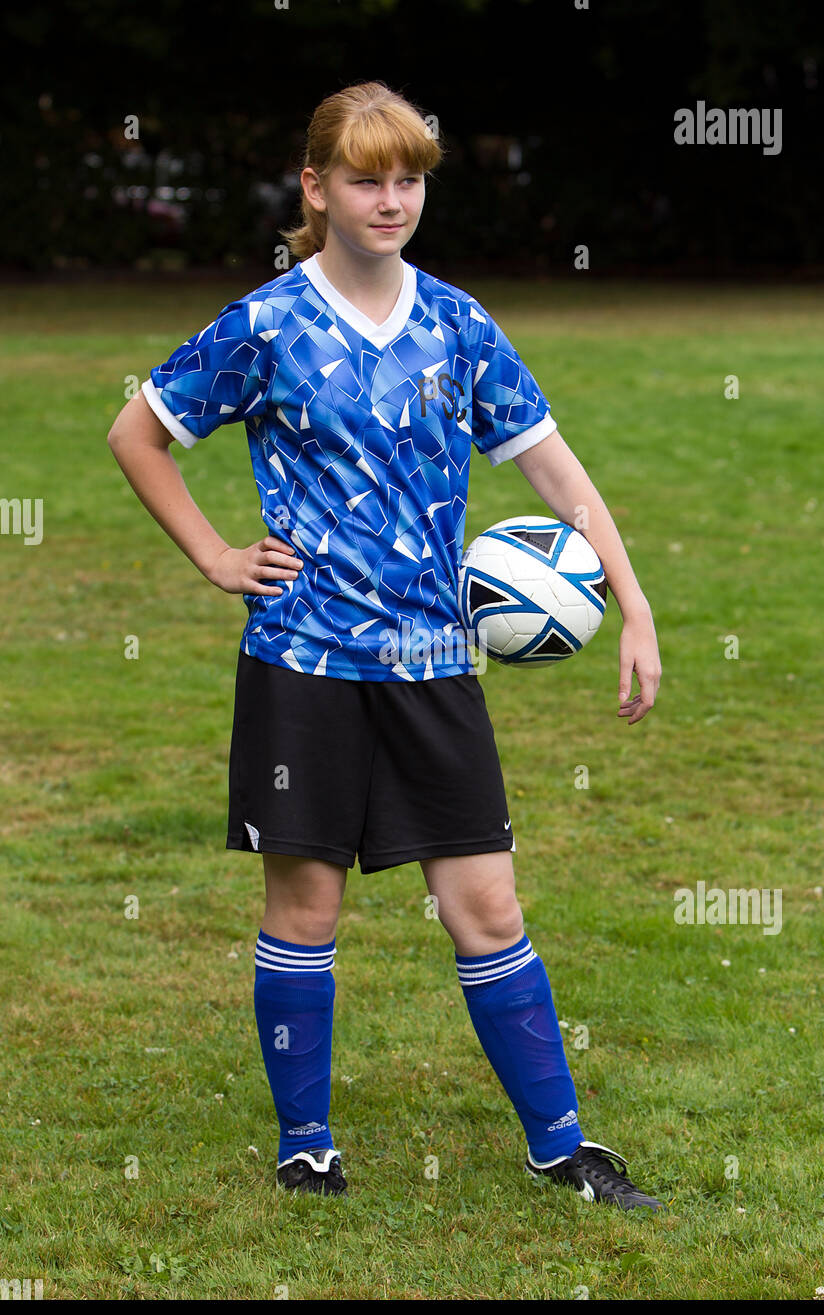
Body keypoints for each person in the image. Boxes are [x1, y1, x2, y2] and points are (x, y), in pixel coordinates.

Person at [107, 81, 663, 1210]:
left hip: (433, 666)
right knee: (304, 910)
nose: (391, 198)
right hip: (302, 666)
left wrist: (634, 603)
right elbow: (138, 431)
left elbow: (554, 472)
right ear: (314, 188)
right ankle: (305, 1142)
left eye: (408, 178)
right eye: (366, 178)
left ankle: (560, 1145)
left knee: (488, 907)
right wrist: (218, 556)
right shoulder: (266, 324)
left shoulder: (457, 324)